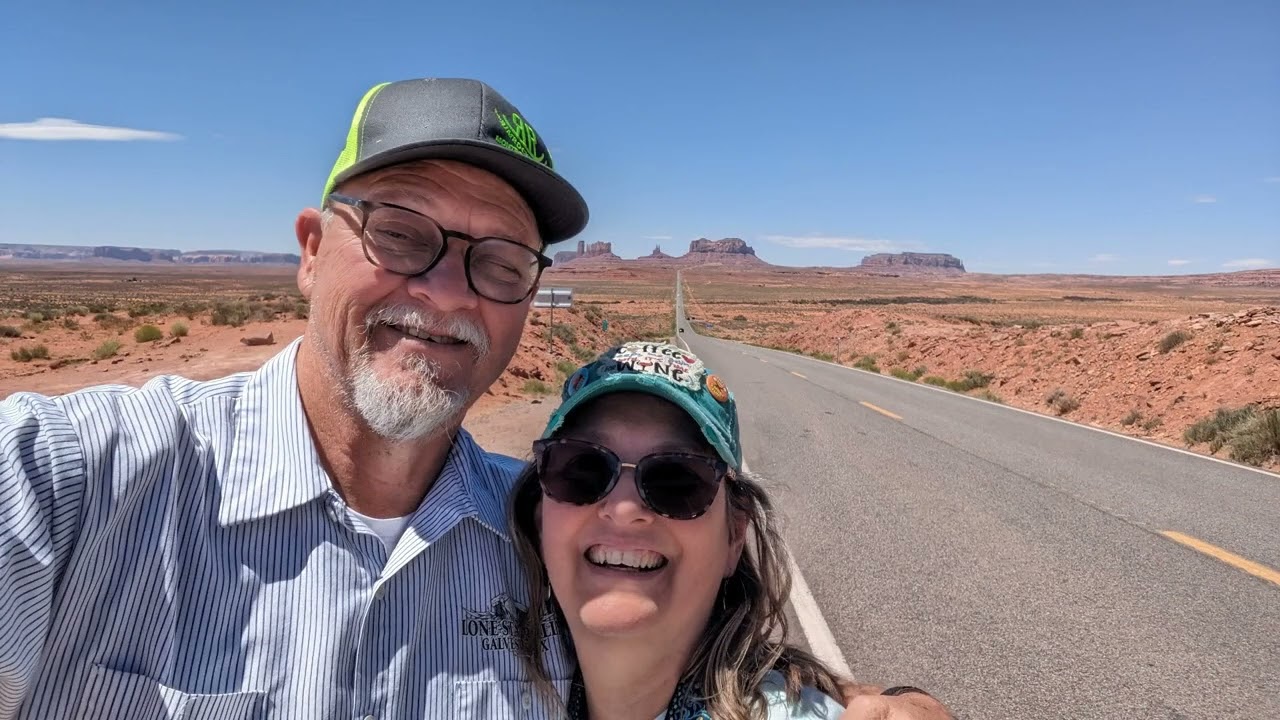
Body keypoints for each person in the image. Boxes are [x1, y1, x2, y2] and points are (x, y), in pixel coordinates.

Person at [0, 78, 948, 719]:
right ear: (308, 249)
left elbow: (691, 657)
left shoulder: (542, 531)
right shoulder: (78, 478)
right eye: (401, 234)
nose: (447, 295)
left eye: (497, 262)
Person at [509, 341, 954, 719]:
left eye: (678, 480)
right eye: (580, 469)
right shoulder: (485, 685)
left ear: (734, 537)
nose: (624, 508)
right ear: (539, 518)